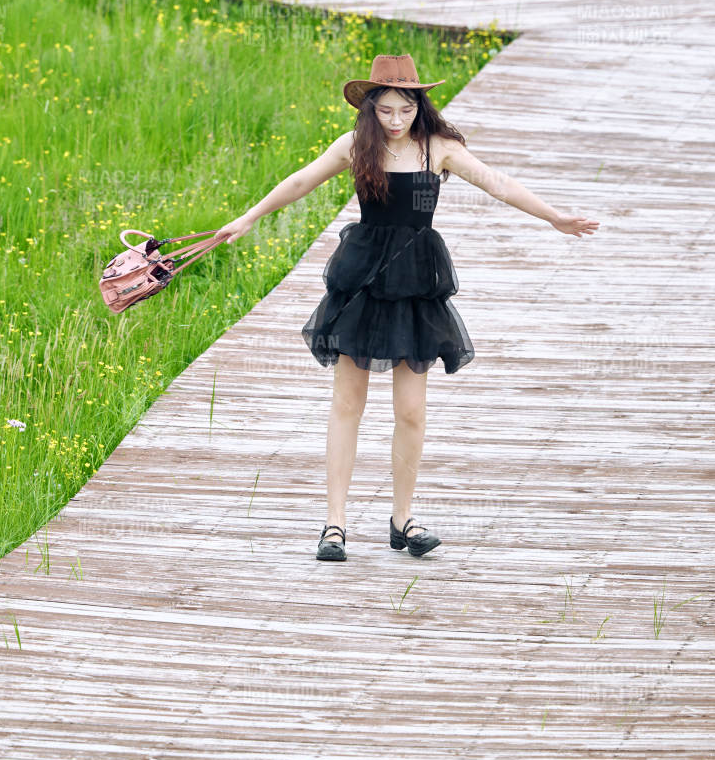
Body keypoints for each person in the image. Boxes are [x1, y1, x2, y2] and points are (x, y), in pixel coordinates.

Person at [217, 53, 600, 563]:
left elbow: (499, 183)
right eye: (386, 110)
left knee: (411, 410)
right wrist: (248, 217)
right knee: (347, 404)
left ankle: (403, 519)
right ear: (370, 108)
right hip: (362, 278)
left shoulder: (438, 147)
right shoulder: (355, 145)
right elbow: (301, 181)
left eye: (406, 109)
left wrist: (554, 217)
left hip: (416, 280)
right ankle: (335, 524)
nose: (396, 120)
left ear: (420, 105)